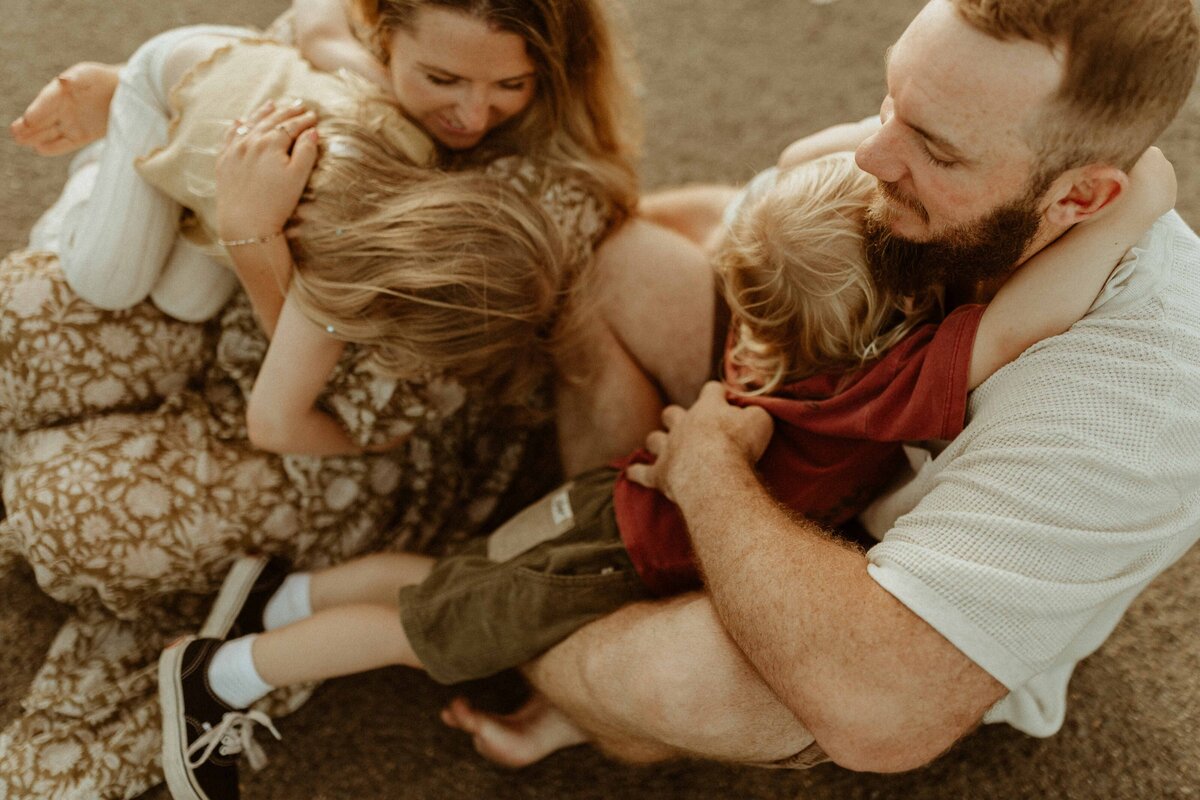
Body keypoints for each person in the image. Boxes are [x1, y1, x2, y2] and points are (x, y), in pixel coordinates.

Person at [156, 145, 1171, 800]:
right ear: (897, 318)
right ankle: (220, 675)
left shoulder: (754, 348)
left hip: (603, 507)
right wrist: (1143, 195)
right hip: (626, 550)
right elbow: (1036, 311)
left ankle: (276, 595)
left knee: (454, 579)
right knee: (424, 631)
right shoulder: (879, 389)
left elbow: (766, 201)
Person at [425, 0, 1200, 774]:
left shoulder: (1136, 401)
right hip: (806, 440)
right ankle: (593, 574)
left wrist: (705, 469)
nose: (869, 154)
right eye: (893, 98)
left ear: (1082, 200)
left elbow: (884, 716)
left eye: (933, 145)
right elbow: (747, 220)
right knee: (618, 266)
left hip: (890, 613)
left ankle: (531, 632)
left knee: (670, 681)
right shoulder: (934, 156)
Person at [0, 2, 648, 798]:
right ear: (384, 40)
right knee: (19, 328)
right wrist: (141, 94)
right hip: (233, 323)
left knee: (64, 514)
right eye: (439, 78)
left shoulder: (535, 198)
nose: (472, 114)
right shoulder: (352, 58)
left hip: (350, 435)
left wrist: (253, 236)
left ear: (554, 71)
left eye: (509, 84)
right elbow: (277, 44)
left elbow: (349, 406)